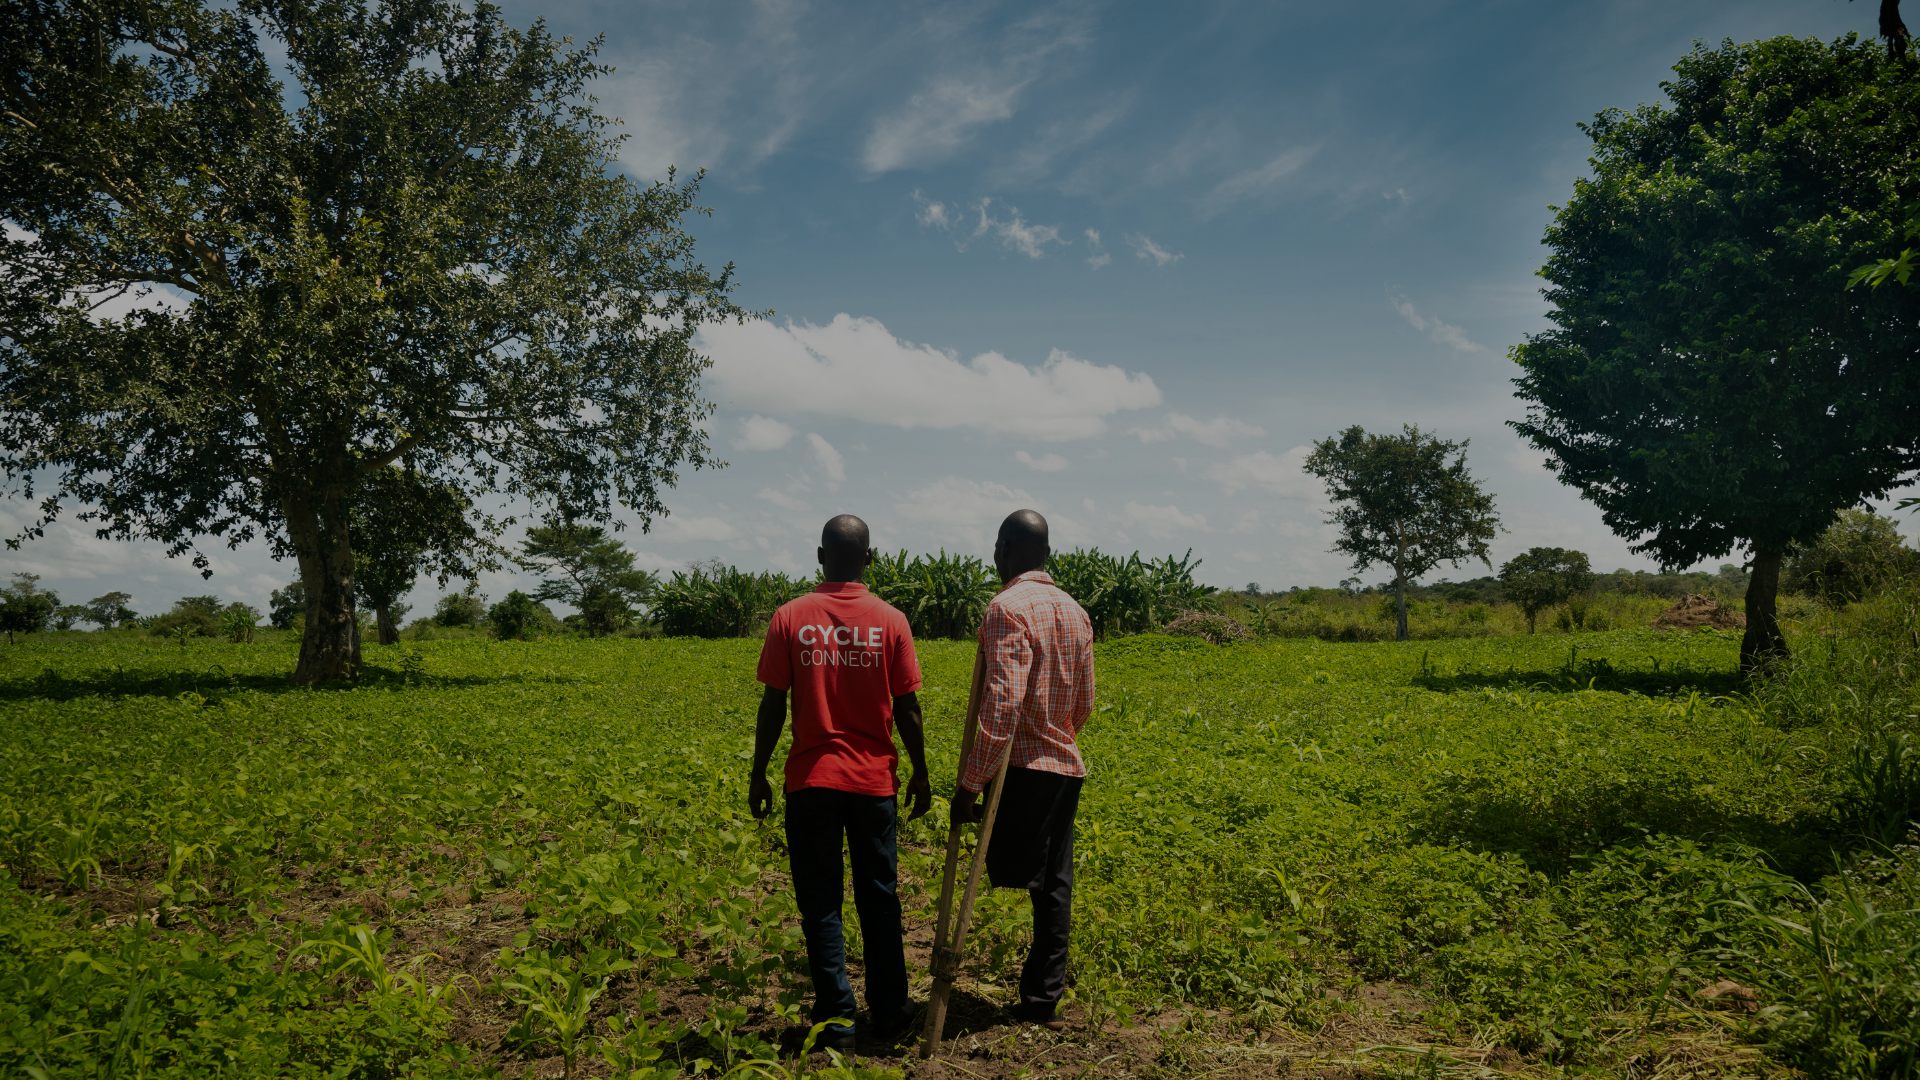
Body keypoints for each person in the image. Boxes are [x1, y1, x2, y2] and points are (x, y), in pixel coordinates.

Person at [749, 514, 932, 1049]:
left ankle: (837, 1020)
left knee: (821, 902)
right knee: (880, 896)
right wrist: (921, 772)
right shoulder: (892, 620)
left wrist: (759, 771)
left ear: (821, 556)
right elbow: (908, 707)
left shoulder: (790, 617)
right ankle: (893, 1011)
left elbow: (773, 703)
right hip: (874, 783)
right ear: (870, 559)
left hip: (811, 783)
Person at [950, 509, 1095, 1032]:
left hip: (1022, 768)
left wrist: (971, 782)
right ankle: (1041, 1002)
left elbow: (1002, 704)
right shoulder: (1076, 611)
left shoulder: (1005, 608)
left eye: (996, 548)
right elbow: (1083, 702)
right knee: (1055, 885)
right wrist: (1056, 732)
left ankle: (974, 984)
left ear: (1005, 548)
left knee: (1018, 871)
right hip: (1065, 764)